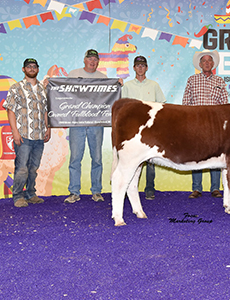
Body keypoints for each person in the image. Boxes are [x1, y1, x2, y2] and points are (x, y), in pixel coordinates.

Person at [64, 49, 122, 204]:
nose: (92, 61)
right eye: (90, 58)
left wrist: (117, 85)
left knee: (97, 158)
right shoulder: (73, 74)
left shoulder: (103, 78)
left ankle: (96, 191)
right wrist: (49, 84)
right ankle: (74, 192)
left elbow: (108, 97)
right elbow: (62, 93)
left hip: (96, 124)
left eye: (95, 59)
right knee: (75, 158)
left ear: (98, 62)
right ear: (84, 60)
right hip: (76, 123)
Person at [3, 58, 51, 207]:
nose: (31, 68)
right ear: (23, 69)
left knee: (33, 167)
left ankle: (30, 194)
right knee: (22, 167)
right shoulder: (16, 88)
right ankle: (18, 196)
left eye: (34, 66)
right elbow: (10, 110)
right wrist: (15, 132)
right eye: (28, 66)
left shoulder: (43, 90)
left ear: (38, 69)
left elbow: (44, 111)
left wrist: (47, 128)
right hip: (23, 135)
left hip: (38, 136)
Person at [182, 50, 228, 199]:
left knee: (215, 157)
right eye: (204, 61)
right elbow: (185, 104)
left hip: (215, 126)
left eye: (210, 61)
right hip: (196, 125)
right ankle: (196, 189)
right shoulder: (192, 80)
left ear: (213, 64)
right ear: (200, 64)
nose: (207, 63)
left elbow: (225, 105)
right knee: (197, 156)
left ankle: (215, 188)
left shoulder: (220, 81)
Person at [121, 55, 166, 200]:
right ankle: (128, 187)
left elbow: (162, 105)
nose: (140, 68)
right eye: (137, 65)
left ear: (146, 68)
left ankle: (149, 188)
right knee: (130, 159)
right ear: (133, 68)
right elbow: (122, 107)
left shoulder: (154, 85)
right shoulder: (126, 86)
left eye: (143, 65)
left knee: (151, 159)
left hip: (151, 127)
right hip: (133, 129)